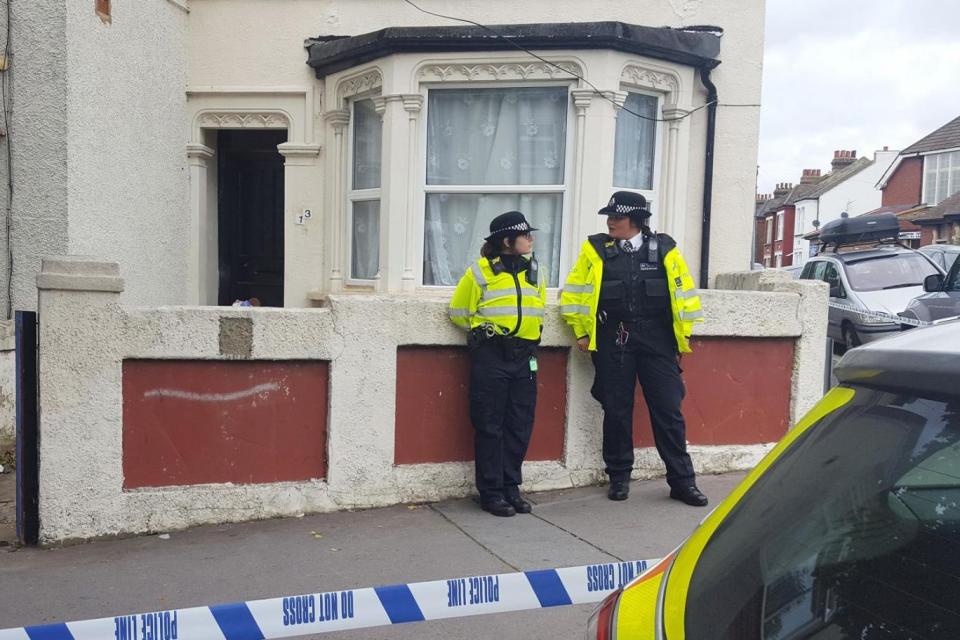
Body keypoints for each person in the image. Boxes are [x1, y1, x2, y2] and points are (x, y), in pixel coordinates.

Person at [560, 192, 707, 506]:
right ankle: (618, 476)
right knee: (616, 409)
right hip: (615, 336)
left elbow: (685, 297)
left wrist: (682, 336)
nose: (611, 222)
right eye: (609, 217)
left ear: (637, 221)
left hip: (658, 338)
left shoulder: (666, 249)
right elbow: (573, 295)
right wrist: (582, 332)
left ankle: (682, 481)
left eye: (618, 217)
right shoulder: (595, 249)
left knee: (668, 410)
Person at [448, 211, 547, 517]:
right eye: (525, 235)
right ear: (507, 240)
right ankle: (490, 491)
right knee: (490, 425)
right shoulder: (479, 272)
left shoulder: (536, 271)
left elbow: (540, 307)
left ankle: (510, 487)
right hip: (492, 355)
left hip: (524, 356)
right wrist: (488, 333)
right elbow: (459, 312)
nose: (531, 240)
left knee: (520, 424)